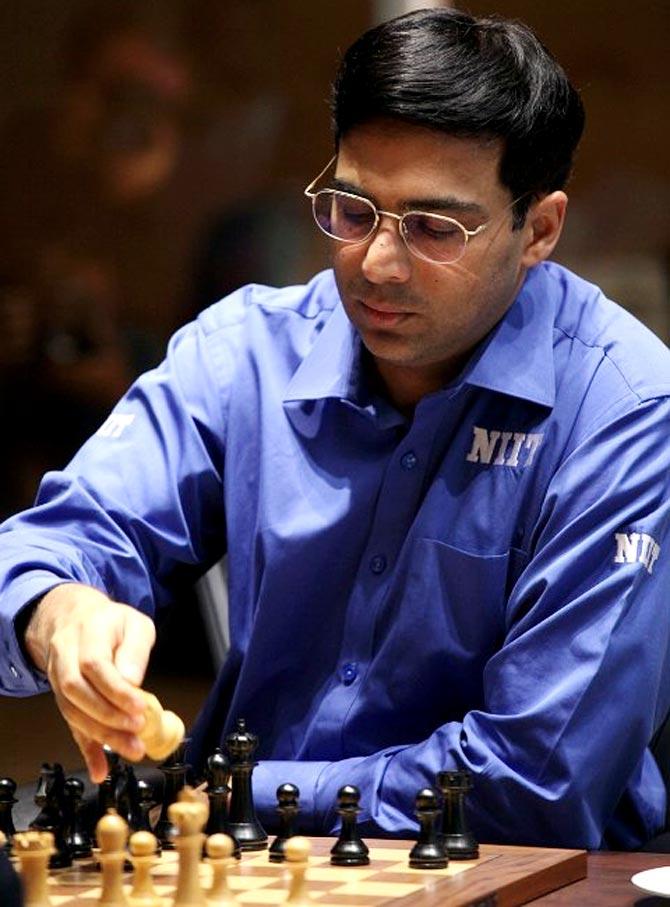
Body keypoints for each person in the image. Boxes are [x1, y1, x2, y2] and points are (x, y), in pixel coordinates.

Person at [0, 7, 669, 851]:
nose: (377, 263)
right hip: (252, 863)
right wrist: (55, 612)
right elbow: (47, 547)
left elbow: (535, 783)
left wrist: (231, 785)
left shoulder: (624, 414)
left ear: (536, 229)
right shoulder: (245, 353)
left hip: (519, 880)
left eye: (433, 228)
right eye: (353, 210)